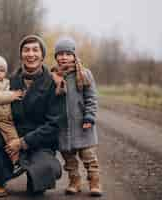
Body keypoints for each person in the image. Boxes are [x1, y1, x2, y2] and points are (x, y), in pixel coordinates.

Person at [0, 35, 63, 197]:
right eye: (26, 50)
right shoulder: (9, 81)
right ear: (21, 55)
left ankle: (33, 175)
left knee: (47, 171)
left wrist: (23, 142)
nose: (31, 54)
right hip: (9, 140)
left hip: (38, 142)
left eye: (35, 50)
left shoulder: (53, 84)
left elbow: (54, 125)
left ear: (42, 55)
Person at [51, 37, 102, 196]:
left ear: (74, 55)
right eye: (60, 54)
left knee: (88, 156)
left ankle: (94, 182)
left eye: (68, 53)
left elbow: (91, 99)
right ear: (56, 57)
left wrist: (89, 117)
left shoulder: (84, 74)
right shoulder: (54, 76)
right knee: (69, 159)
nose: (64, 57)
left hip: (82, 124)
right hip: (63, 127)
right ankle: (75, 181)